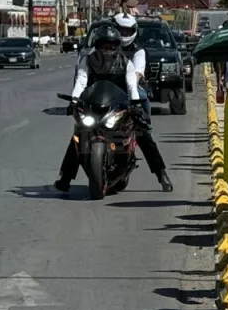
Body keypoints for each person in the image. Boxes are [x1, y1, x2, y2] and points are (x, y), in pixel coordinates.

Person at [55, 17, 173, 194]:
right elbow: (81, 81)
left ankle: (161, 173)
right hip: (94, 106)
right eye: (103, 45)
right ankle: (65, 178)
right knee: (78, 135)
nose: (107, 49)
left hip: (120, 106)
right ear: (97, 44)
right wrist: (74, 101)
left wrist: (136, 105)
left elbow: (132, 85)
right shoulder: (87, 60)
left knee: (143, 134)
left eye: (111, 45)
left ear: (117, 45)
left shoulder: (127, 62)